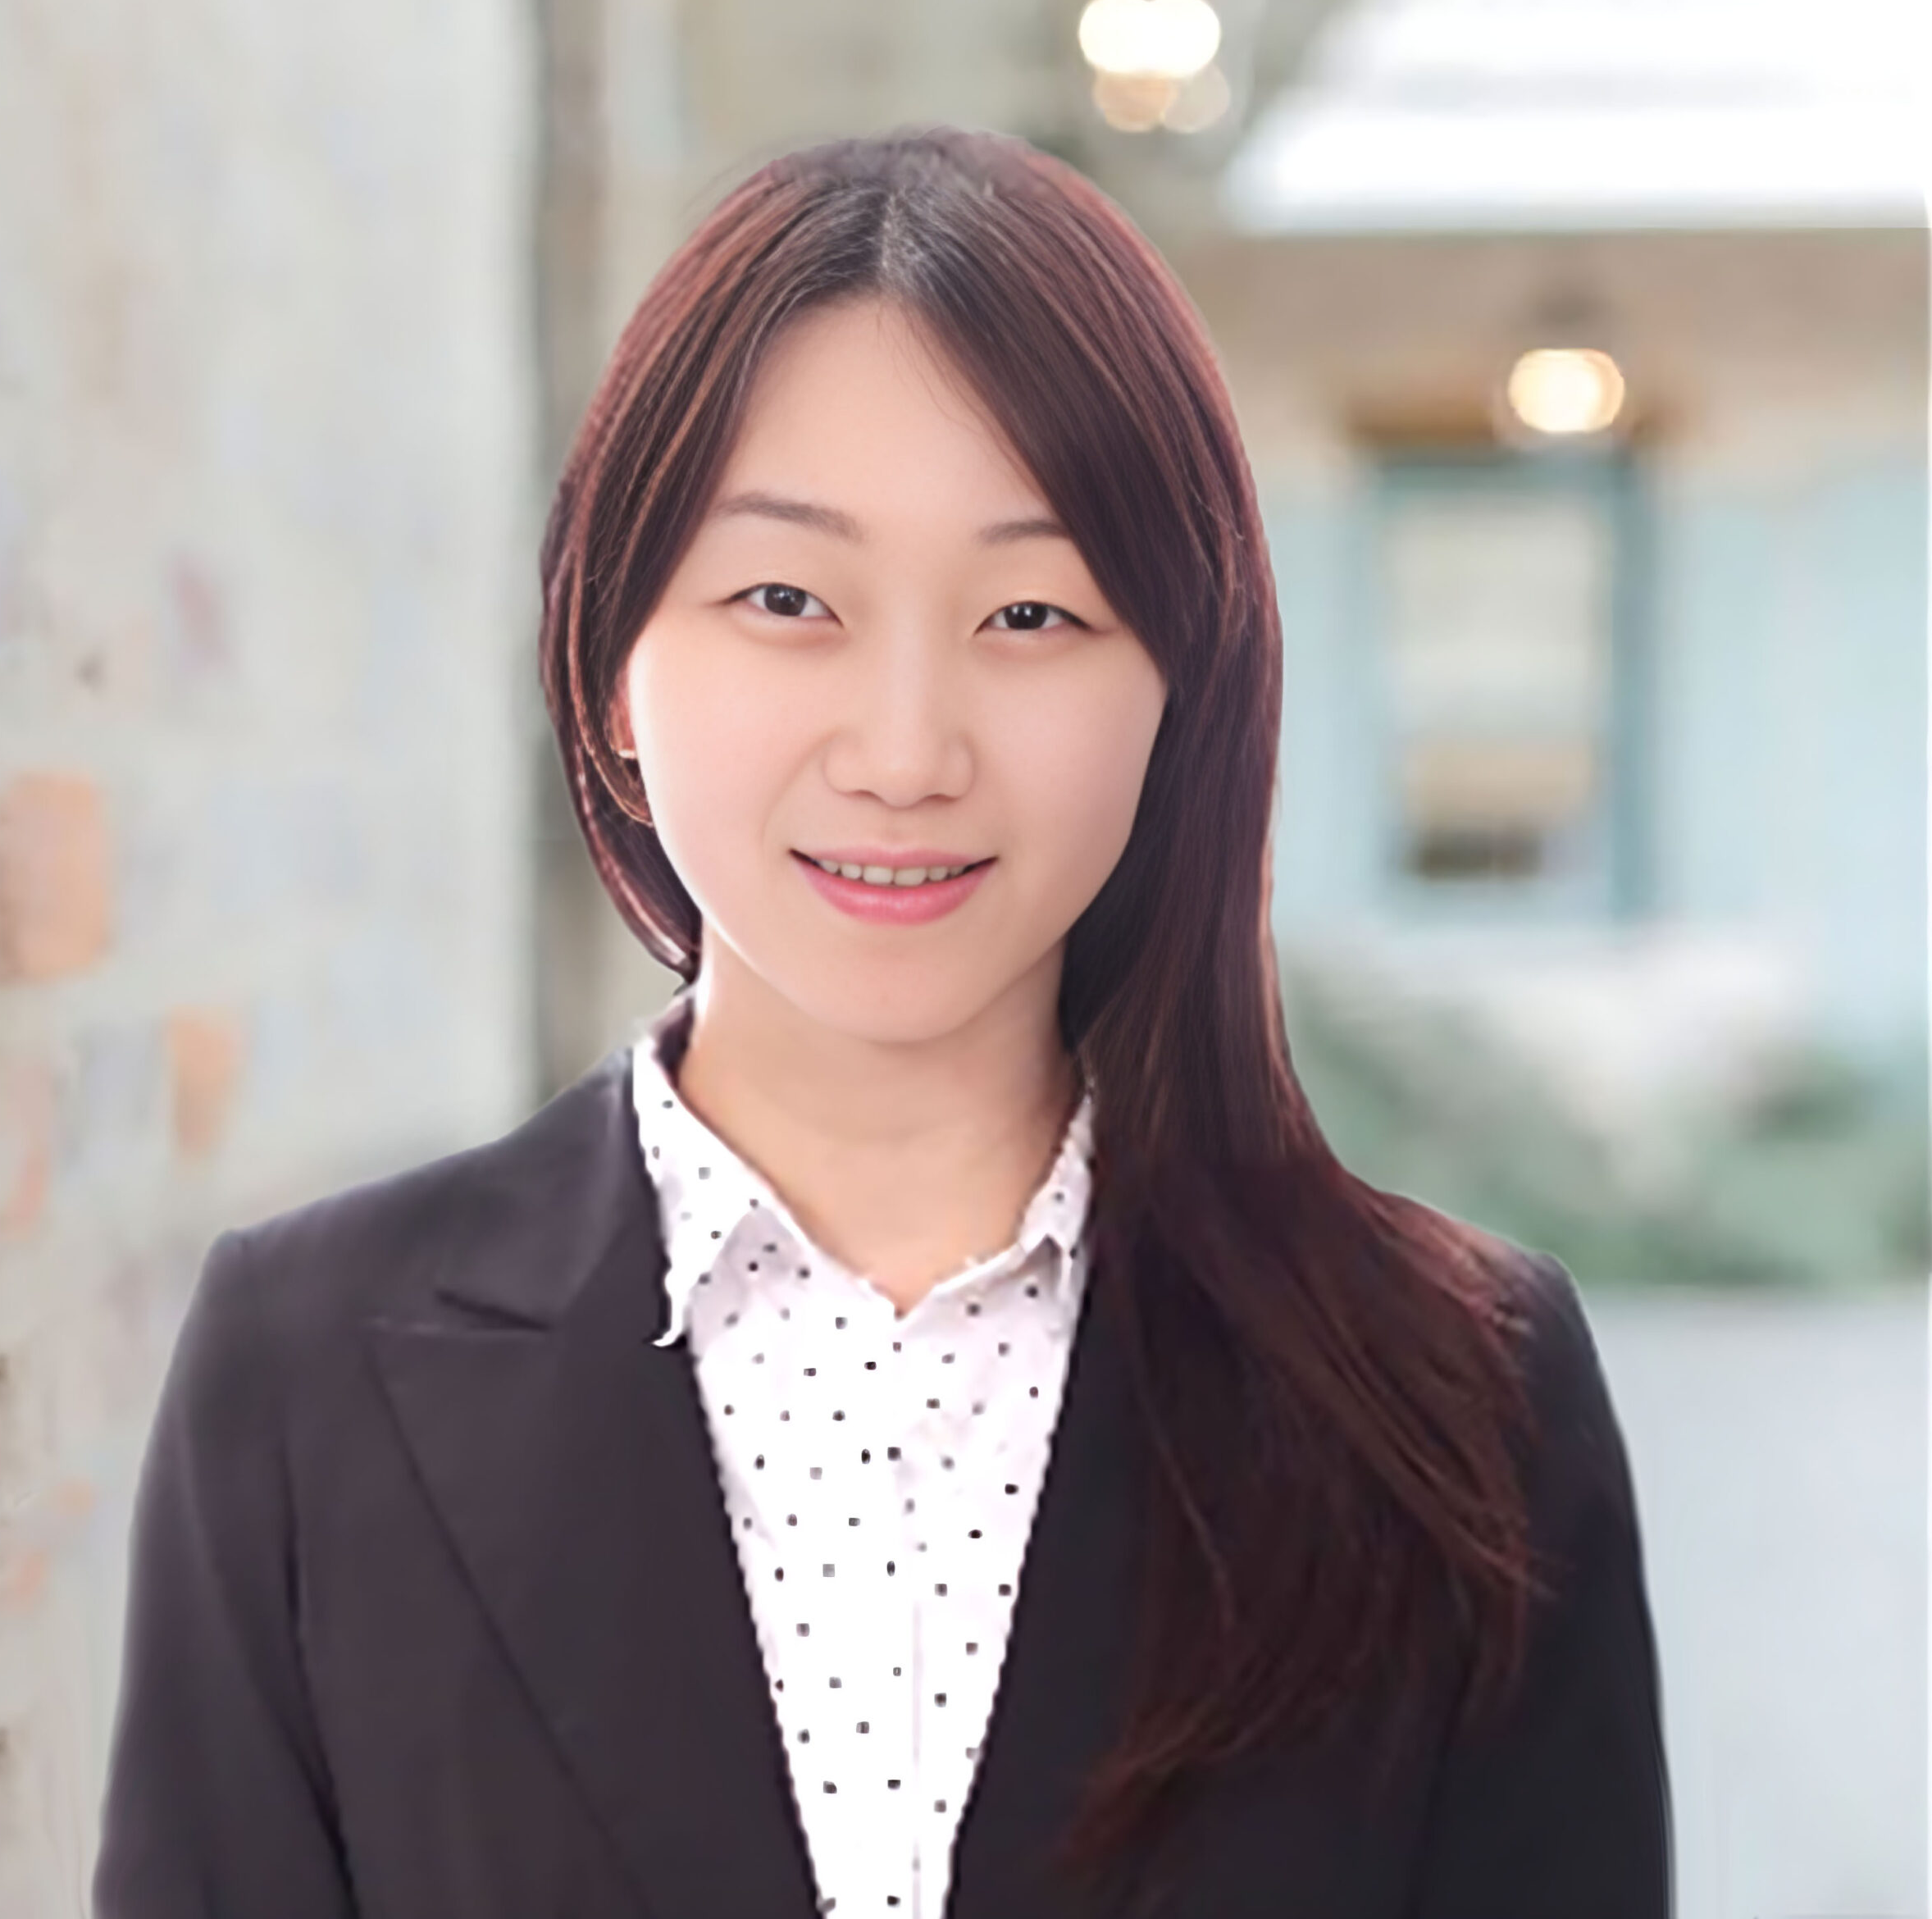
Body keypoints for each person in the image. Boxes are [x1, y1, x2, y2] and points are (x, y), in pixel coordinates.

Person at [93, 127, 1672, 1919]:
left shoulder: (1464, 1401)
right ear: (612, 667)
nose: (907, 751)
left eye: (1031, 611)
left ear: (1180, 695)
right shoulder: (306, 1375)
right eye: (788, 600)